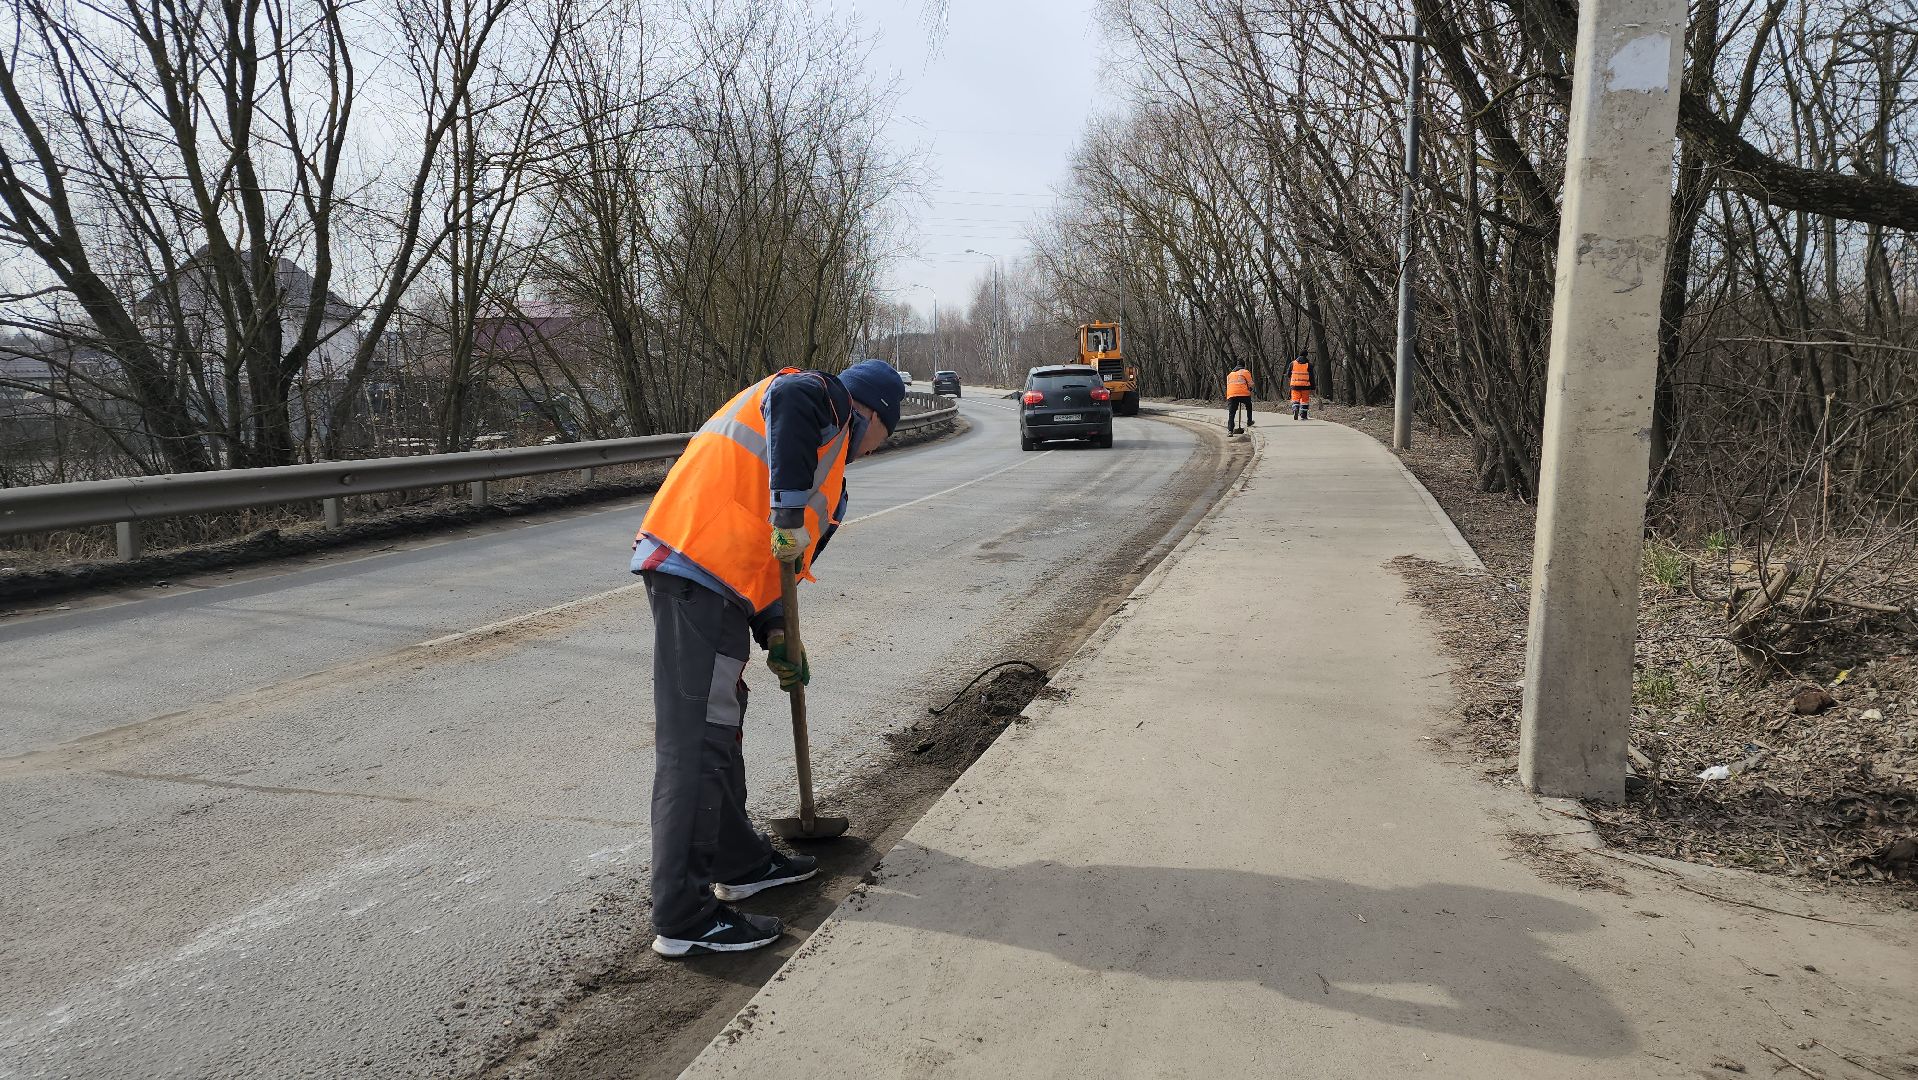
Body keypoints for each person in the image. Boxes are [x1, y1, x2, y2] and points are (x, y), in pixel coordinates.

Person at [629, 359, 904, 958]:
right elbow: (791, 398)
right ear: (875, 415)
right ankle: (684, 918)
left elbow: (776, 565)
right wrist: (786, 510)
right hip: (695, 566)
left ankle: (742, 862)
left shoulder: (832, 485)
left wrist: (779, 630)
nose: (877, 448)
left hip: (724, 586)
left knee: (719, 728)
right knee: (696, 741)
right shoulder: (823, 400)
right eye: (887, 433)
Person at [1225, 363, 1255, 434]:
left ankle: (1230, 430)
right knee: (1249, 405)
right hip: (1243, 393)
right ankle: (1249, 421)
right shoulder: (1245, 372)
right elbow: (1251, 383)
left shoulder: (1230, 375)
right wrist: (1250, 388)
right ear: (1243, 366)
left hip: (1231, 395)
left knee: (1232, 412)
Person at [1287, 352, 1314, 420]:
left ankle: (1296, 408)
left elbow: (1288, 374)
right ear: (1306, 356)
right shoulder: (1308, 365)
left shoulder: (1292, 363)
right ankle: (1303, 415)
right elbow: (1311, 377)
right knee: (1304, 401)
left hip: (1295, 385)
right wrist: (1313, 386)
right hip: (1305, 386)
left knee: (1295, 399)